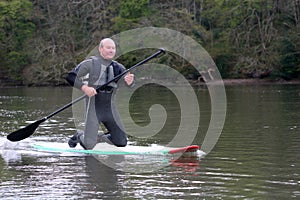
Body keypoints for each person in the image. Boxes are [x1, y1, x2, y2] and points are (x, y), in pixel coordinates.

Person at [66, 38, 134, 149]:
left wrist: (130, 83)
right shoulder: (90, 64)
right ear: (100, 49)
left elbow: (129, 84)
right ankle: (80, 135)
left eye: (113, 48)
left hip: (110, 108)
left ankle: (99, 137)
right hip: (93, 107)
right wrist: (85, 88)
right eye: (108, 47)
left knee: (121, 142)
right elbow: (70, 76)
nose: (111, 50)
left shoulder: (119, 68)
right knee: (88, 145)